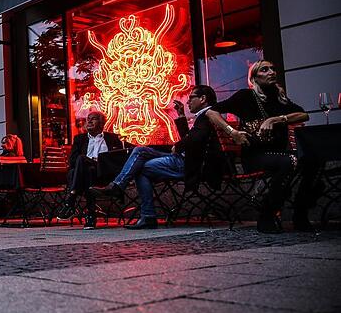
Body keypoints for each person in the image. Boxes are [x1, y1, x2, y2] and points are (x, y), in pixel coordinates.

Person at [205, 60, 318, 233]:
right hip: (255, 156)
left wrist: (276, 119)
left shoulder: (279, 98)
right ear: (254, 78)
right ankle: (267, 214)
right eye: (265, 70)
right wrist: (232, 132)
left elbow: (304, 115)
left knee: (313, 160)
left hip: (280, 154)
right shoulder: (245, 96)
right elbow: (211, 112)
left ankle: (300, 213)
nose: (271, 72)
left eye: (273, 68)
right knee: (289, 161)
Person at [92, 85, 223, 229]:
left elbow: (197, 137)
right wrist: (180, 116)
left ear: (203, 99)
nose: (187, 102)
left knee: (140, 164)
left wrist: (179, 146)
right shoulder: (205, 117)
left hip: (188, 164)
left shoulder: (208, 116)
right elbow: (193, 136)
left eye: (191, 97)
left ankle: (140, 208)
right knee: (140, 151)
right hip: (185, 160)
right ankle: (121, 189)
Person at [58, 111, 125, 229]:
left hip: (104, 174)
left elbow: (118, 160)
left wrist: (96, 160)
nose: (88, 121)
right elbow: (72, 161)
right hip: (86, 174)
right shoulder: (79, 139)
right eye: (87, 119)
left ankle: (71, 199)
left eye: (93, 119)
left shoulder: (112, 138)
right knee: (85, 167)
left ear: (102, 123)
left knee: (83, 160)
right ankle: (90, 215)